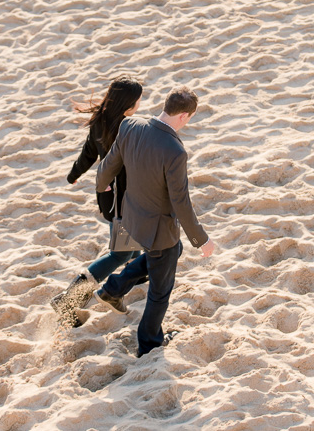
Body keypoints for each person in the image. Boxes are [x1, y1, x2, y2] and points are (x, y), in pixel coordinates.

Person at [92, 86, 216, 357]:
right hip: (158, 231)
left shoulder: (130, 125)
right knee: (160, 291)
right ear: (184, 116)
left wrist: (102, 185)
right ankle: (149, 343)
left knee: (170, 253)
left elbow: (109, 164)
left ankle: (114, 288)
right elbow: (180, 202)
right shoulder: (174, 150)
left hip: (131, 218)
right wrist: (201, 239)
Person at [50, 75, 145, 327]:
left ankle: (137, 274)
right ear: (128, 105)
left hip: (109, 197)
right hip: (123, 200)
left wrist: (74, 174)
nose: (139, 105)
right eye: (138, 101)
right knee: (120, 253)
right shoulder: (127, 128)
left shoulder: (101, 121)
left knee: (130, 245)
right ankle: (68, 299)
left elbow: (88, 153)